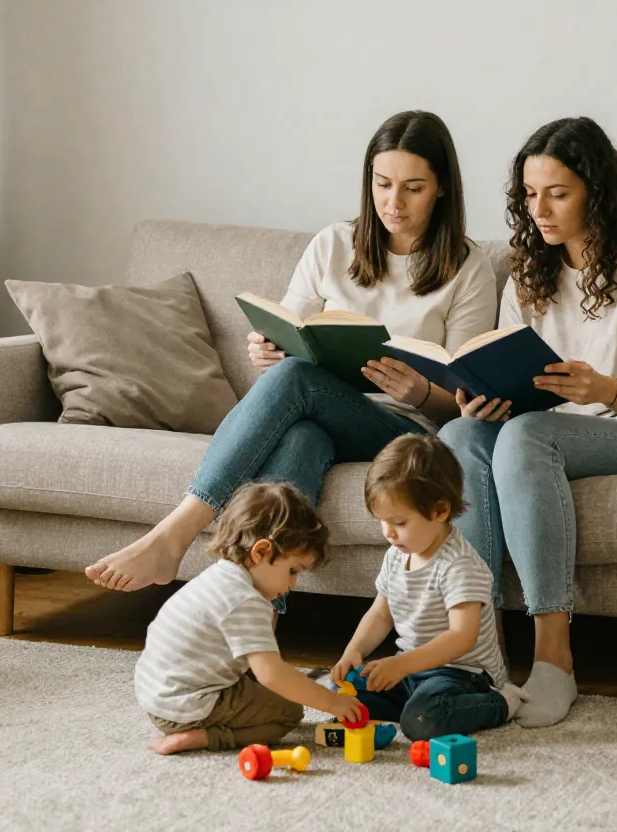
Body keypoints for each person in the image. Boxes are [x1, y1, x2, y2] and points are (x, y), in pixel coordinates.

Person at [86, 110, 497, 594]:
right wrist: (267, 352)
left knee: (298, 379)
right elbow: (289, 336)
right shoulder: (334, 244)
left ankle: (175, 532)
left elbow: (465, 404)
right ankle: (259, 618)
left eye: (413, 188)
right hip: (322, 414)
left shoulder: (469, 268)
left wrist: (422, 391)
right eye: (382, 184)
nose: (393, 202)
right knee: (301, 437)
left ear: (442, 187)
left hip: (406, 433)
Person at [439, 117, 617, 728]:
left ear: (596, 190)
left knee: (530, 435)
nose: (539, 209)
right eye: (530, 194)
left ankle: (554, 658)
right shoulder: (529, 273)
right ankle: (481, 656)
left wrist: (604, 389)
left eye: (557, 194)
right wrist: (484, 402)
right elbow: (524, 394)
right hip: (555, 430)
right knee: (460, 435)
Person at [135, 482, 364, 754]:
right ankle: (204, 737)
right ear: (261, 551)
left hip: (155, 696)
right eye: (293, 571)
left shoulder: (220, 577)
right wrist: (332, 703)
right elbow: (271, 675)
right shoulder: (246, 600)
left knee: (264, 690)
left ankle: (196, 725)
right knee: (288, 712)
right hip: (185, 706)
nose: (293, 584)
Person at [330, 434, 526, 740]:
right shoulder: (397, 555)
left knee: (421, 721)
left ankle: (501, 703)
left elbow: (461, 637)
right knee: (340, 694)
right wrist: (353, 652)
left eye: (399, 522)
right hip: (411, 671)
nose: (389, 533)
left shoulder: (459, 565)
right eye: (382, 521)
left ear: (440, 511)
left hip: (462, 674)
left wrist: (400, 665)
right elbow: (381, 614)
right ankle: (416, 704)